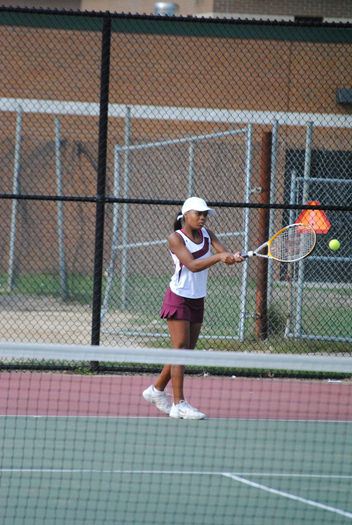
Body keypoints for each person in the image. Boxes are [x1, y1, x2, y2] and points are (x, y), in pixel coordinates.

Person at [143, 197, 245, 419]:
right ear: (185, 215)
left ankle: (156, 390)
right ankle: (179, 404)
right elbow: (192, 265)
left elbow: (223, 253)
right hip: (178, 297)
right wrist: (219, 257)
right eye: (198, 213)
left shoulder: (208, 235)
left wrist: (233, 257)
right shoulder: (175, 238)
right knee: (180, 348)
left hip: (198, 298)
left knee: (185, 351)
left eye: (205, 214)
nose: (202, 217)